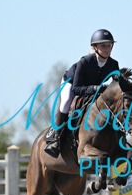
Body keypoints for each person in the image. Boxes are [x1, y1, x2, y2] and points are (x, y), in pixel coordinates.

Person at [44, 28, 120, 157]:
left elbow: (117, 85)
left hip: (93, 88)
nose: (107, 49)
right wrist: (95, 89)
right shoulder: (84, 62)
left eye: (109, 46)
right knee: (66, 102)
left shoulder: (113, 64)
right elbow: (76, 89)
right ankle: (56, 137)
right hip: (71, 83)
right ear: (95, 47)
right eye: (103, 46)